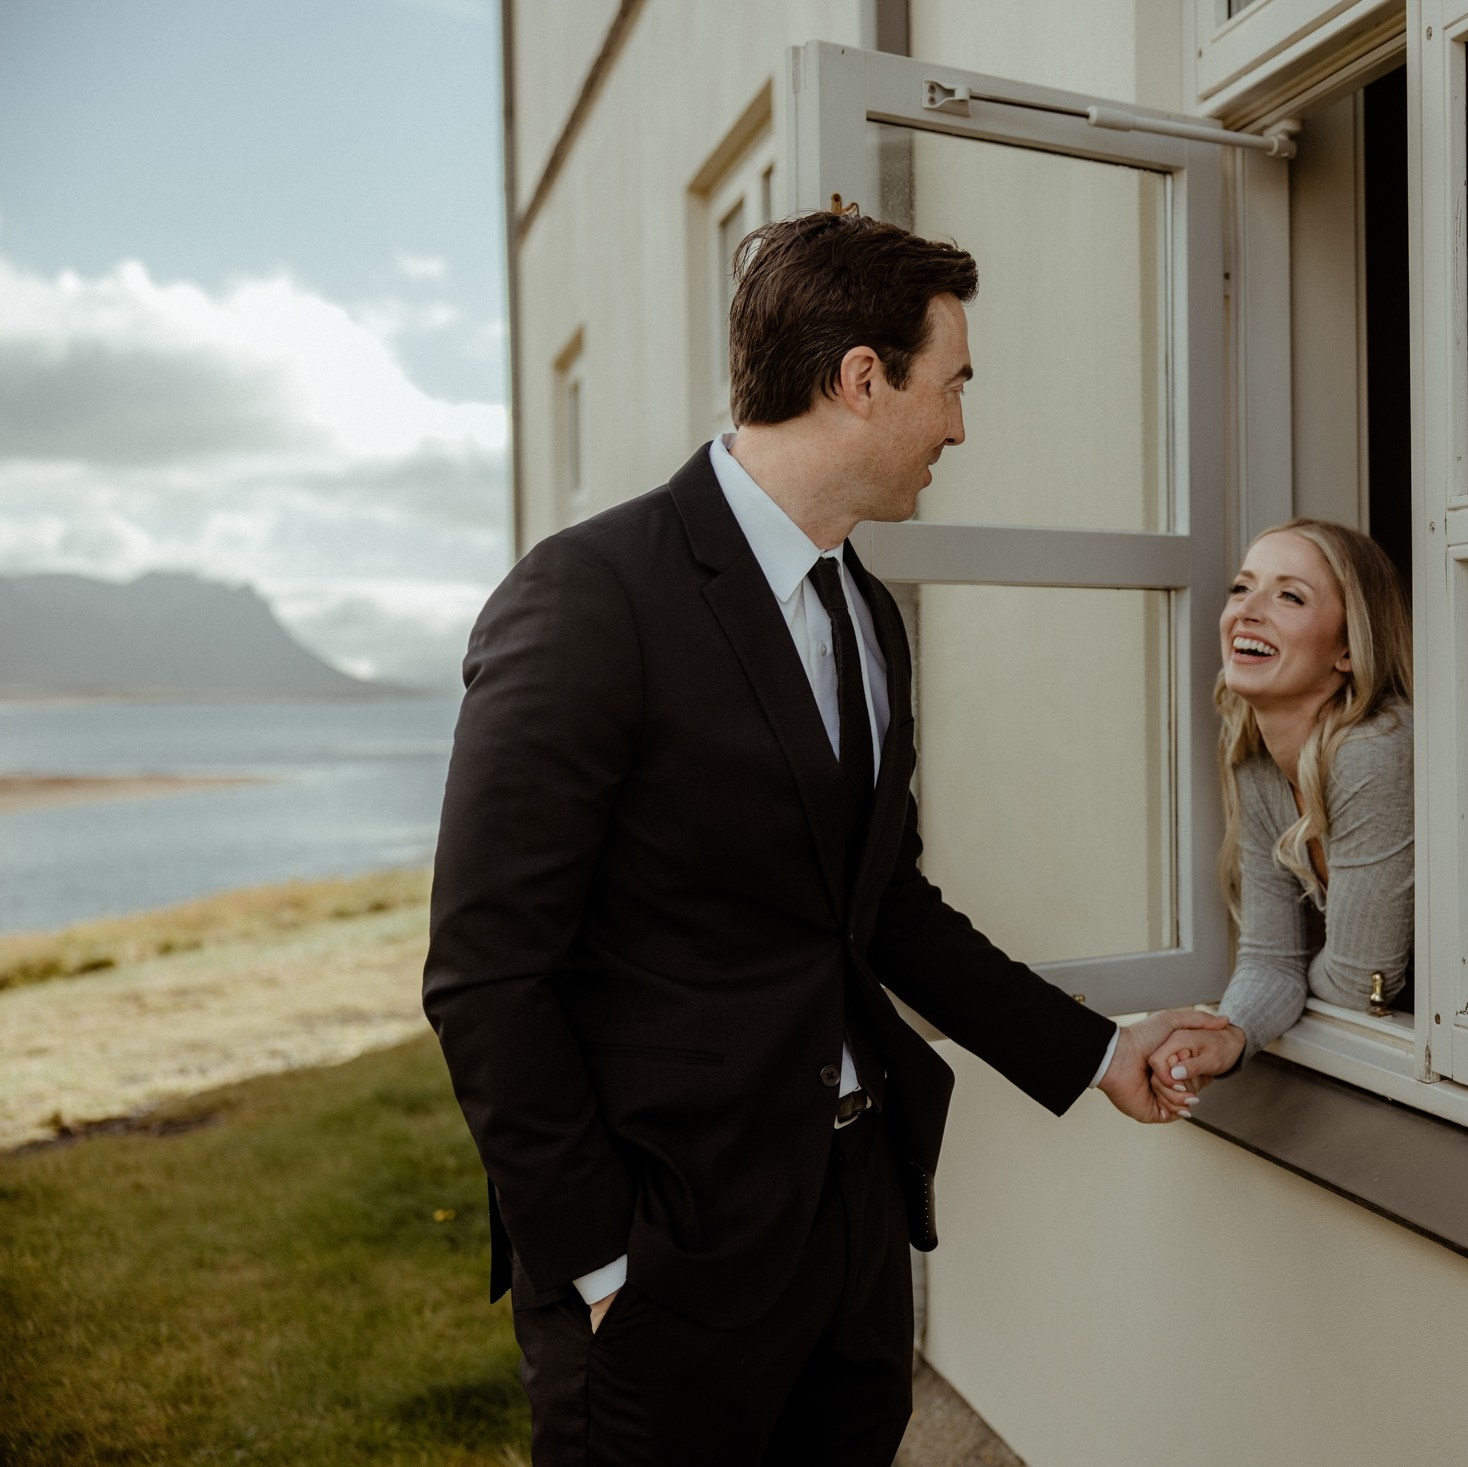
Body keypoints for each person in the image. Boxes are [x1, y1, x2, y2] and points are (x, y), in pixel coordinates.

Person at [422, 207, 1225, 1465]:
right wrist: (600, 1265)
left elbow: (882, 905)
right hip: (667, 1257)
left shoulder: (864, 609)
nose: (958, 426)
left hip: (852, 1233)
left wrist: (1094, 1054)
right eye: (951, 385)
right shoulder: (589, 596)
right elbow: (486, 975)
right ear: (861, 379)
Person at [1146, 519, 1413, 1112]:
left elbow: (1359, 983)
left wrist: (1293, 986)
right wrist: (1231, 1036)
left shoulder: (1376, 750)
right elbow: (1271, 958)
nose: (1247, 611)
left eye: (1289, 596)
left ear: (1349, 650)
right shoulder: (1258, 762)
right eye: (1242, 588)